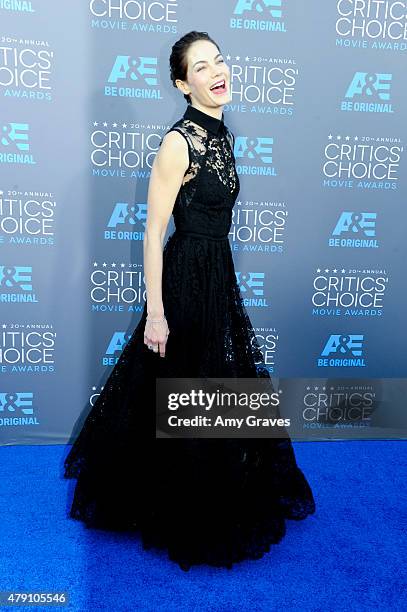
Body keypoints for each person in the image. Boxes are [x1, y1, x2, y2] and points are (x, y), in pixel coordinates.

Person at [63, 31, 316, 571]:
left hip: (216, 273)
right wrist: (156, 311)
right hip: (183, 278)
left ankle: (201, 480)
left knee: (205, 386)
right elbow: (154, 231)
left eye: (218, 60)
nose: (216, 71)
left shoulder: (222, 134)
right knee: (180, 384)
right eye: (201, 67)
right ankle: (177, 499)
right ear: (183, 84)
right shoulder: (178, 142)